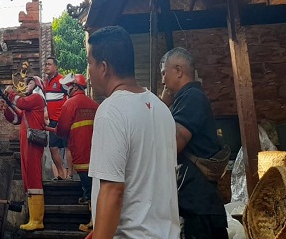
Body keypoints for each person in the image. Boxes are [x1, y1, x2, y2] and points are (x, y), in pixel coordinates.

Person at [86, 26, 179, 239]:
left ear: (104, 67)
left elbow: (113, 191)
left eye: (90, 63)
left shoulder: (110, 111)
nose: (88, 72)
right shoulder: (161, 109)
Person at [160, 47, 228, 239]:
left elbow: (173, 144)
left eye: (164, 73)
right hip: (198, 205)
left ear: (178, 70)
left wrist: (161, 106)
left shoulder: (192, 97)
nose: (163, 80)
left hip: (198, 207)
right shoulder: (185, 98)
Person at [0, 75, 47, 231]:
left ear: (38, 85)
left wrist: (11, 93)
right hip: (26, 143)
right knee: (28, 178)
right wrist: (6, 108)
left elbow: (20, 103)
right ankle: (33, 219)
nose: (26, 85)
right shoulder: (29, 106)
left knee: (33, 177)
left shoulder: (37, 98)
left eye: (30, 82)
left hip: (33, 143)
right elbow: (16, 118)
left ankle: (37, 220)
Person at [55, 73, 99, 234]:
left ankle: (94, 223)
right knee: (95, 186)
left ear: (74, 86)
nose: (67, 89)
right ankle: (88, 202)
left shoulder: (70, 104)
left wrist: (56, 131)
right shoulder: (95, 105)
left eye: (68, 86)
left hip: (81, 153)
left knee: (89, 187)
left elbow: (62, 129)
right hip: (97, 154)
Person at [43, 57, 69, 180]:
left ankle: (69, 174)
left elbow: (71, 95)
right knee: (53, 147)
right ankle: (60, 173)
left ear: (55, 67)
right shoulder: (46, 82)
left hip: (62, 120)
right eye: (46, 64)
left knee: (66, 147)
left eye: (49, 64)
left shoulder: (62, 80)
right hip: (52, 121)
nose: (47, 66)